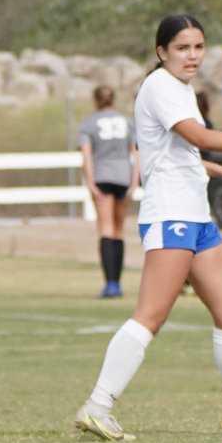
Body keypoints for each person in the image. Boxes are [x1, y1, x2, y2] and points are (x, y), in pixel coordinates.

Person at [72, 15, 222, 442]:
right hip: (170, 215)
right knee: (151, 317)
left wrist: (221, 170)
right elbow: (196, 136)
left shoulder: (178, 89)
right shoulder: (161, 85)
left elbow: (176, 152)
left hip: (195, 216)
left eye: (198, 47)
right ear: (162, 51)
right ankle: (97, 406)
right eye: (183, 47)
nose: (192, 55)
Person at [77, 83, 133, 298]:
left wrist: (90, 183)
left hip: (102, 176)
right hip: (123, 177)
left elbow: (87, 156)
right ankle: (117, 282)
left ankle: (110, 283)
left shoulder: (89, 123)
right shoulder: (127, 122)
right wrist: (133, 182)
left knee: (106, 229)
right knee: (119, 230)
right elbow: (136, 154)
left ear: (96, 100)